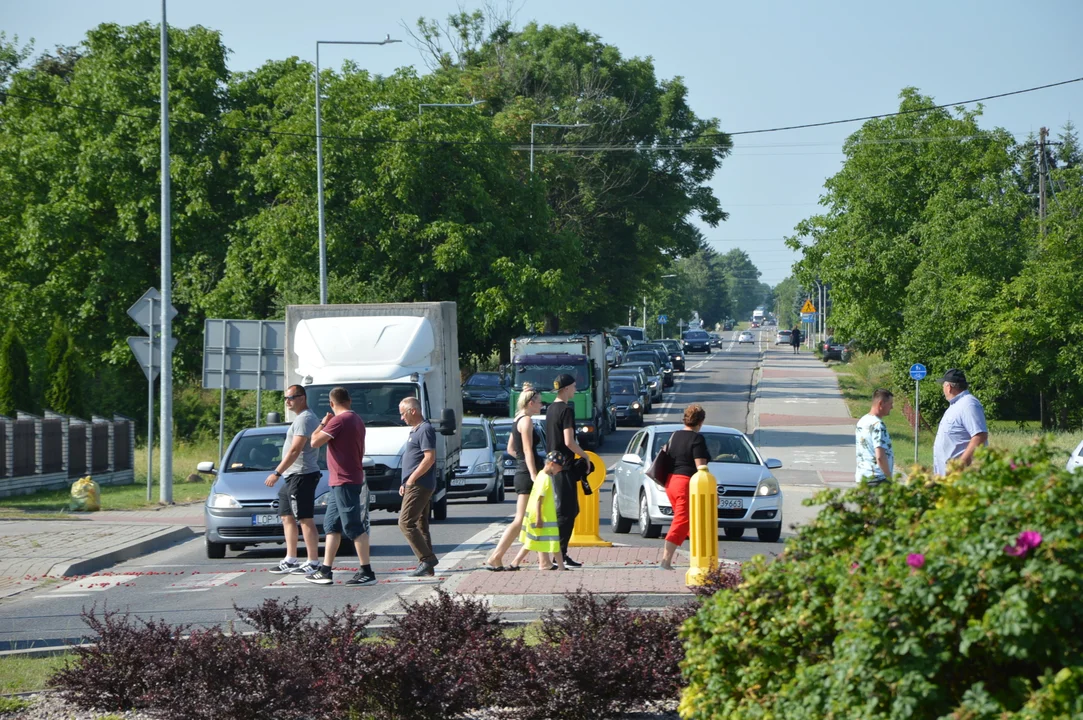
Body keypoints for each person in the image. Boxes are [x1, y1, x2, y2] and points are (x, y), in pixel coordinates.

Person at [305, 387, 375, 587]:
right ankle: (326, 570)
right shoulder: (356, 419)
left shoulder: (339, 420)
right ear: (350, 400)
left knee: (353, 526)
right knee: (331, 526)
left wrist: (322, 424)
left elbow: (314, 442)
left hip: (345, 480)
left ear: (331, 404)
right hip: (340, 480)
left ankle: (366, 571)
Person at [484, 385, 543, 571]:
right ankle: (496, 556)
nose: (542, 406)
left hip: (522, 471)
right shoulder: (526, 421)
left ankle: (545, 560)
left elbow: (511, 448)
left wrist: (522, 463)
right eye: (540, 402)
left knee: (534, 516)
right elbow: (526, 449)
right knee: (520, 519)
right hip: (527, 474)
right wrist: (533, 473)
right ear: (531, 403)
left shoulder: (517, 419)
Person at [265, 385, 322, 576]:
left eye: (291, 397)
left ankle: (313, 561)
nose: (287, 401)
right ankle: (290, 559)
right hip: (292, 475)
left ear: (302, 398)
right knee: (286, 516)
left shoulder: (305, 419)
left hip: (302, 474)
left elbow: (295, 449)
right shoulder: (299, 419)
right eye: (285, 398)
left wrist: (277, 472)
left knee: (305, 518)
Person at [660, 404, 710, 571]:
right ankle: (665, 561)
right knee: (682, 521)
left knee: (690, 521)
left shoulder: (675, 435)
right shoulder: (697, 439)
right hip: (686, 484)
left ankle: (697, 557)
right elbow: (701, 468)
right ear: (701, 421)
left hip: (671, 482)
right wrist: (711, 489)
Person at [546, 373, 587, 568]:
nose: (575, 388)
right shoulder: (566, 410)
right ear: (566, 389)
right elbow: (569, 441)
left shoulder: (550, 409)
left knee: (567, 510)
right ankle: (559, 554)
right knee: (567, 512)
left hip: (553, 465)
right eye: (573, 386)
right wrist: (585, 455)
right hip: (565, 466)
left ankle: (559, 553)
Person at [398, 396, 440, 577]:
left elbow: (429, 458)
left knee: (405, 522)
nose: (402, 418)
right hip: (414, 483)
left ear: (413, 411)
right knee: (421, 525)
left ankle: (427, 559)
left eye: (403, 414)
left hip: (420, 484)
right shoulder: (415, 430)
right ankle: (428, 567)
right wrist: (404, 482)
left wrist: (411, 479)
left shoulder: (425, 430)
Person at [933, 369, 988, 475]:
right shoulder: (956, 405)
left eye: (943, 386)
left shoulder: (969, 404)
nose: (943, 389)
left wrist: (960, 465)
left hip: (961, 475)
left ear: (949, 387)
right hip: (947, 475)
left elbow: (980, 436)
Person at [519, 451, 567, 571]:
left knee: (533, 541)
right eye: (559, 467)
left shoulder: (541, 475)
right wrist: (539, 518)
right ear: (551, 464)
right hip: (544, 517)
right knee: (552, 543)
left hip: (541, 516)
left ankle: (515, 563)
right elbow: (539, 499)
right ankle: (561, 567)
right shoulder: (546, 479)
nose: (560, 470)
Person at [855, 389, 894, 484]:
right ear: (881, 404)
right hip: (877, 478)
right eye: (890, 403)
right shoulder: (878, 425)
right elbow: (880, 456)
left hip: (862, 477)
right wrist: (889, 478)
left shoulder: (862, 421)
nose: (892, 407)